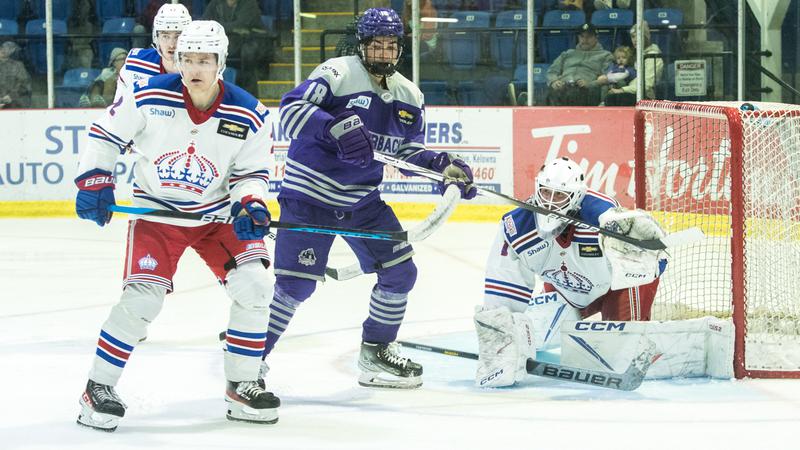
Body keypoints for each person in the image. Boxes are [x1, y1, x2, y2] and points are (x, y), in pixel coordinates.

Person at [74, 20, 279, 431]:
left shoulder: (250, 113)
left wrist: (250, 204)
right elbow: (105, 135)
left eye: (205, 60)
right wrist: (95, 179)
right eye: (188, 59)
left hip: (216, 216)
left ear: (221, 62)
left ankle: (242, 384)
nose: (195, 68)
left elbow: (251, 173)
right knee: (142, 299)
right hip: (157, 214)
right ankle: (98, 387)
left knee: (255, 285)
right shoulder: (147, 95)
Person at [263, 7, 477, 390]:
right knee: (296, 286)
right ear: (362, 45)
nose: (383, 52)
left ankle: (376, 350)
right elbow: (291, 111)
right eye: (376, 45)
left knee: (400, 272)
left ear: (400, 49)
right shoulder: (338, 72)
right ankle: (249, 358)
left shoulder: (409, 95)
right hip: (309, 198)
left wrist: (442, 167)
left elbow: (407, 155)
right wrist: (335, 128)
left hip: (362, 204)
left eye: (390, 45)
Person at [474, 157, 667, 387]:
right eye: (546, 192)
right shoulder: (516, 228)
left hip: (616, 288)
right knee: (534, 336)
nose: (550, 203)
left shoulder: (604, 217)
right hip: (567, 290)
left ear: (576, 196)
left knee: (621, 355)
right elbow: (502, 293)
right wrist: (499, 342)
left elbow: (657, 263)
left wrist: (647, 254)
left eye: (559, 195)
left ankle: (646, 340)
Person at [116, 2, 193, 93]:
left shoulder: (199, 68)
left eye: (178, 37)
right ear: (156, 37)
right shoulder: (136, 65)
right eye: (165, 36)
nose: (172, 45)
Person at [202, 0, 268, 93]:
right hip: (221, 45)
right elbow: (205, 24)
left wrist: (219, 27)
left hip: (245, 45)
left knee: (249, 54)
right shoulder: (215, 3)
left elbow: (242, 24)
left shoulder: (250, 3)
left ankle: (248, 93)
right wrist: (232, 29)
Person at [546, 23, 613, 106]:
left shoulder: (606, 55)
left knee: (571, 94)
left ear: (596, 38)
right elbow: (552, 71)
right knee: (551, 91)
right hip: (564, 87)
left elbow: (606, 78)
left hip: (587, 90)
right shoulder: (567, 54)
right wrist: (554, 81)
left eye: (589, 37)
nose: (585, 40)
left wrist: (589, 84)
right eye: (582, 36)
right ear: (578, 38)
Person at [601, 22, 663, 106]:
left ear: (646, 37)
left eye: (638, 36)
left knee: (616, 98)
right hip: (631, 91)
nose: (635, 40)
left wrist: (623, 90)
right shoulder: (635, 55)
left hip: (645, 96)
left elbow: (647, 84)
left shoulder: (653, 56)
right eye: (633, 37)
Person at [0, 41, 31, 108]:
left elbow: (25, 85)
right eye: (2, 47)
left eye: (8, 48)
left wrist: (11, 96)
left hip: (14, 106)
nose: (3, 50)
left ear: (13, 51)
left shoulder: (18, 66)